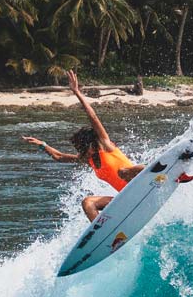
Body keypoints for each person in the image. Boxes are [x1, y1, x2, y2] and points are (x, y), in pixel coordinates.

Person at [22, 70, 145, 221]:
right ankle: (101, 230)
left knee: (123, 172)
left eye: (82, 148)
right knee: (87, 202)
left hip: (144, 186)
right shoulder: (90, 160)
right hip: (127, 199)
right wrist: (42, 144)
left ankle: (160, 171)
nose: (81, 152)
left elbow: (92, 116)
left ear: (92, 145)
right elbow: (59, 156)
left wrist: (77, 93)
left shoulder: (106, 146)